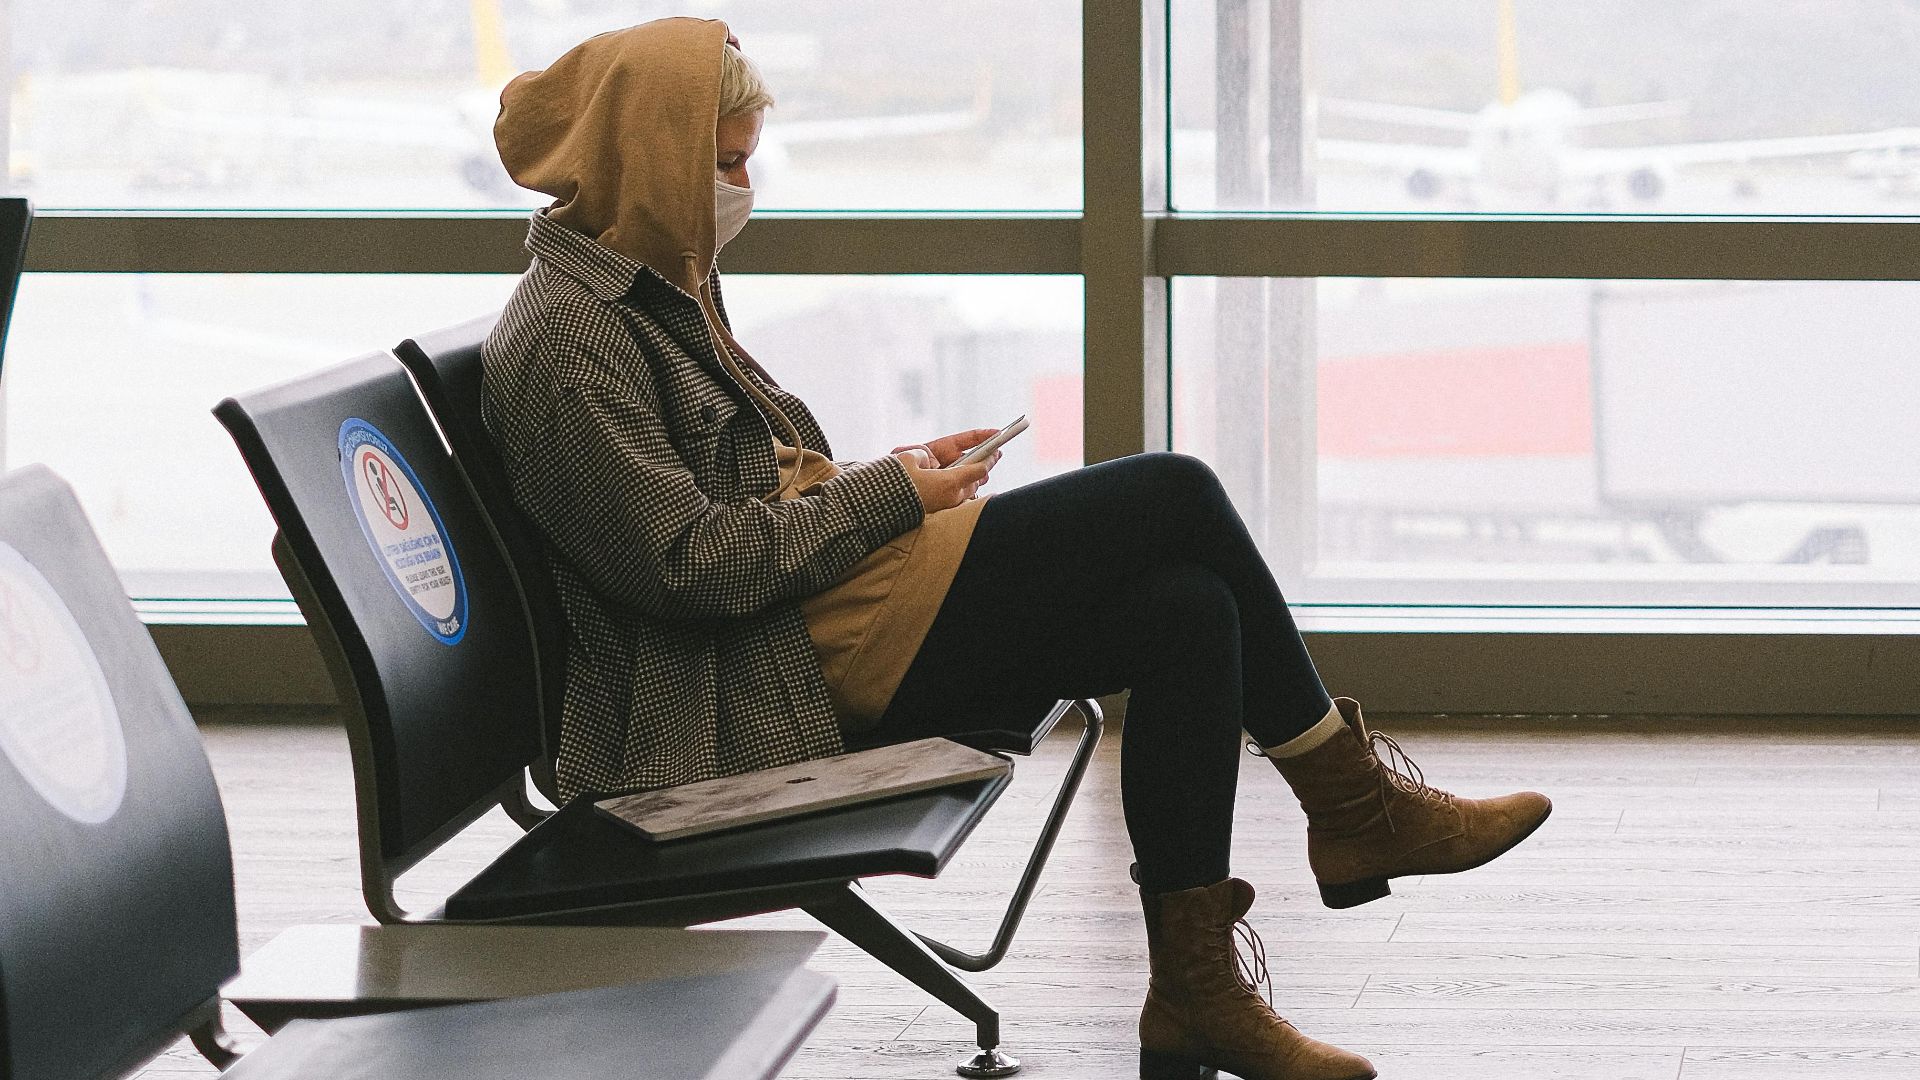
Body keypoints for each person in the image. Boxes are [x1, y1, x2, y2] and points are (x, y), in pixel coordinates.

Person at [482, 19, 1551, 1080]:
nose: (742, 184)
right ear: (650, 160)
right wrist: (891, 497)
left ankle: (1196, 993)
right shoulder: (572, 340)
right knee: (1175, 493)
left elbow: (735, 500)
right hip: (771, 679)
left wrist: (887, 478)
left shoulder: (645, 281)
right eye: (725, 162)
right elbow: (691, 567)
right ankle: (1354, 807)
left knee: (1189, 612)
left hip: (822, 618)